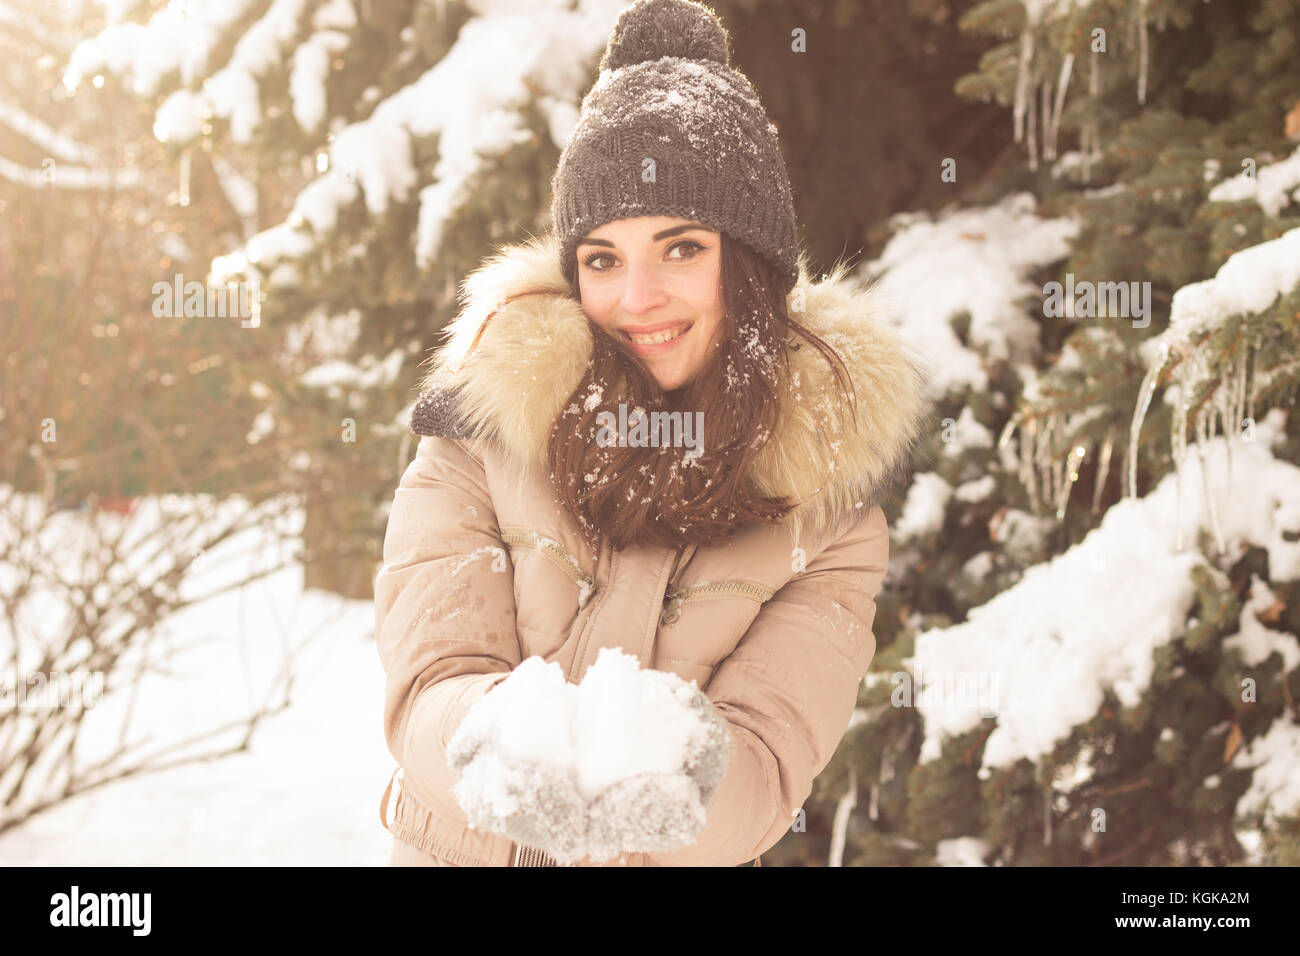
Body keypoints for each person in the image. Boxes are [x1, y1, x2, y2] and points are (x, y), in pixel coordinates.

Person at [375, 0, 932, 867]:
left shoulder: (827, 511)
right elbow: (427, 690)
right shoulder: (478, 441)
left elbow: (765, 763)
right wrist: (497, 737)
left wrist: (676, 775)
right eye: (602, 259)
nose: (637, 299)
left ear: (746, 264)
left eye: (680, 250)